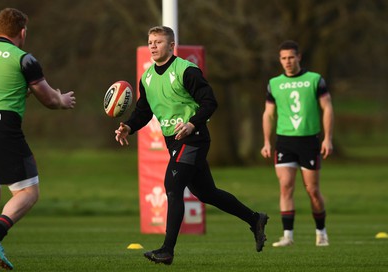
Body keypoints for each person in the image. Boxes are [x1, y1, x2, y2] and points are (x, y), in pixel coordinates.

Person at [115, 26, 268, 265]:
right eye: (150, 42)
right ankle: (255, 218)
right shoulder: (147, 78)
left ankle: (167, 250)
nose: (153, 46)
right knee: (207, 193)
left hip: (193, 138)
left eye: (158, 41)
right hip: (173, 140)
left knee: (173, 186)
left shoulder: (186, 70)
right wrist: (128, 126)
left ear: (171, 45)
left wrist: (192, 123)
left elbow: (210, 102)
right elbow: (143, 111)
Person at [0, 8, 76, 270]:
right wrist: (63, 100)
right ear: (23, 31)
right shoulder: (24, 59)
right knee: (28, 191)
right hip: (3, 129)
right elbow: (48, 99)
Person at [260, 40, 334, 247]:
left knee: (312, 190)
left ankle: (321, 232)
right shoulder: (274, 83)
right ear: (280, 60)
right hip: (284, 141)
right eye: (283, 58)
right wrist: (266, 141)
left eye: (291, 57)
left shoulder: (315, 80)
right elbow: (268, 114)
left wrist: (327, 138)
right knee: (285, 187)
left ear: (299, 57)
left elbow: (327, 108)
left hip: (309, 141)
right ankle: (288, 235)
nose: (288, 62)